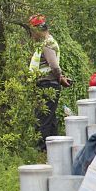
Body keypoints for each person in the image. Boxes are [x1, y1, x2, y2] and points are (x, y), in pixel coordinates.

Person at [27, 14, 71, 151]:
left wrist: (60, 78)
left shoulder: (47, 44)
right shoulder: (46, 43)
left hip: (47, 85)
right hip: (47, 84)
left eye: (32, 31)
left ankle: (42, 149)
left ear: (38, 29)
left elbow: (53, 65)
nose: (32, 35)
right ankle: (55, 148)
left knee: (43, 118)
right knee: (49, 118)